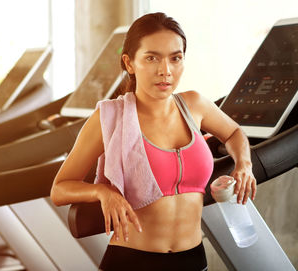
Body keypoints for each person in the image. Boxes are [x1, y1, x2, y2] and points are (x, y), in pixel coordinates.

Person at [50, 12, 257, 271]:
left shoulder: (194, 105)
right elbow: (59, 189)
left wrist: (244, 164)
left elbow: (234, 132)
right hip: (131, 261)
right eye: (151, 58)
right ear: (129, 63)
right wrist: (102, 192)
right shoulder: (110, 117)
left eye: (175, 58)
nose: (165, 71)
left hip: (193, 260)